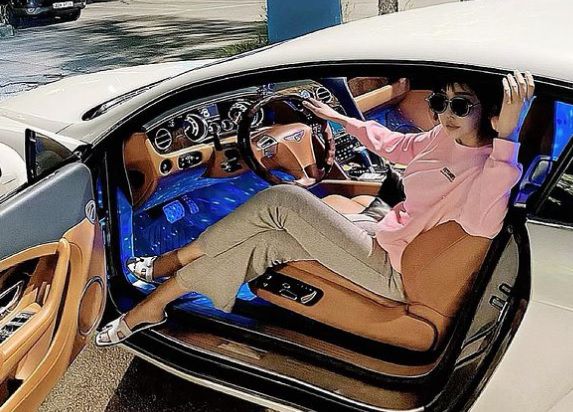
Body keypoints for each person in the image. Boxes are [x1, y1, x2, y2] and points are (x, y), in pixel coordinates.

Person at [95, 70, 535, 346]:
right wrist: (338, 118)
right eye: (440, 102)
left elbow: (489, 211)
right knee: (267, 241)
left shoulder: (491, 172)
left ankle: (173, 259)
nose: (444, 114)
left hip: (394, 271)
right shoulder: (444, 137)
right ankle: (153, 306)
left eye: (461, 105)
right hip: (388, 234)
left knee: (283, 199)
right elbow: (398, 145)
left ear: (490, 112)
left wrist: (509, 135)